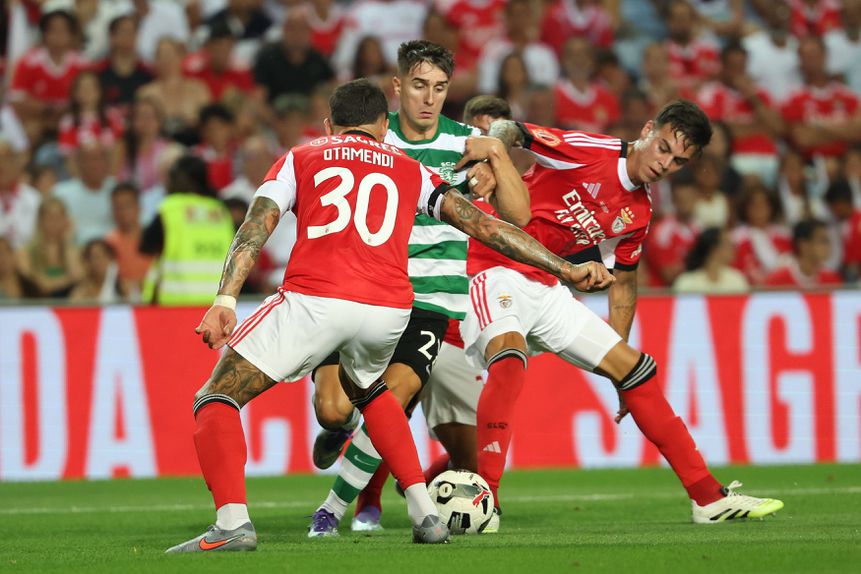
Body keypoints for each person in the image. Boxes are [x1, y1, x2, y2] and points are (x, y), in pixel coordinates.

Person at [164, 78, 610, 553]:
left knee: (216, 397)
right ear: (383, 125)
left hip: (319, 297)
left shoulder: (302, 157)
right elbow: (486, 225)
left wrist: (226, 301)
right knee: (373, 394)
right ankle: (425, 515)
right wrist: (565, 266)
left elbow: (255, 228)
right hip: (390, 309)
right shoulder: (409, 169)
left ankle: (232, 524)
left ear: (329, 124)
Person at [465, 100, 783, 529]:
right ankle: (487, 498)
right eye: (664, 148)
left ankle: (708, 498)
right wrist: (491, 158)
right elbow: (508, 128)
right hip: (493, 264)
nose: (665, 163)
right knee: (508, 360)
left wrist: (618, 371)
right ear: (649, 129)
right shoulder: (589, 149)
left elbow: (625, 285)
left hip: (548, 284)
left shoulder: (639, 213)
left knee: (638, 373)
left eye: (678, 161)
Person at [306, 41, 520, 536]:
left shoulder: (467, 144)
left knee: (393, 400)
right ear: (398, 87)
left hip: (430, 303)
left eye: (440, 88)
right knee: (333, 406)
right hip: (361, 293)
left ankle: (331, 512)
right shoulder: (372, 143)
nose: (429, 98)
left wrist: (498, 158)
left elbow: (518, 214)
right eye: (419, 86)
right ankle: (340, 428)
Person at [139, 155, 235, 306]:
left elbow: (146, 245)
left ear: (187, 179)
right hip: (217, 304)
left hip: (176, 303)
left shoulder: (171, 208)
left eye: (173, 177)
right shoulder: (221, 212)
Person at [104, 182, 153, 299]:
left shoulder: (153, 239)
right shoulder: (108, 243)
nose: (123, 212)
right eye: (117, 207)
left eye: (127, 205)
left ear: (139, 207)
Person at [765, 219, 842, 288]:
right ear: (803, 244)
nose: (828, 245)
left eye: (828, 241)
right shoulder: (777, 280)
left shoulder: (831, 279)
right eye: (822, 241)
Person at [674, 227, 750, 293]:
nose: (733, 248)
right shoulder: (687, 282)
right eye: (728, 244)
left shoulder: (736, 280)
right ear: (713, 249)